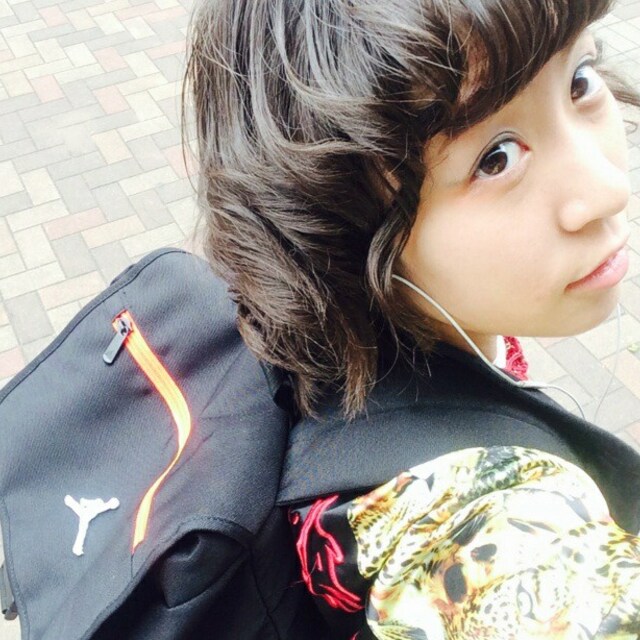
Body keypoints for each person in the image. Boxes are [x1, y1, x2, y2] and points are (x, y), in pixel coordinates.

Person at [183, 0, 640, 637]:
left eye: (580, 82)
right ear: (340, 228)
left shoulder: (332, 345)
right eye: (496, 158)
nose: (606, 190)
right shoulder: (479, 537)